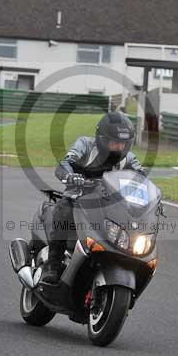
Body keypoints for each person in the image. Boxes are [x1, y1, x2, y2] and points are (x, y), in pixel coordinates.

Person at [42, 111, 145, 285]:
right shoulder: (85, 145)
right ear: (102, 138)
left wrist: (150, 197)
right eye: (114, 142)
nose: (119, 147)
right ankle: (52, 264)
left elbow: (141, 178)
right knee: (65, 212)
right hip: (78, 198)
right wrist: (71, 176)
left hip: (109, 205)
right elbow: (66, 163)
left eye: (123, 143)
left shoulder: (129, 158)